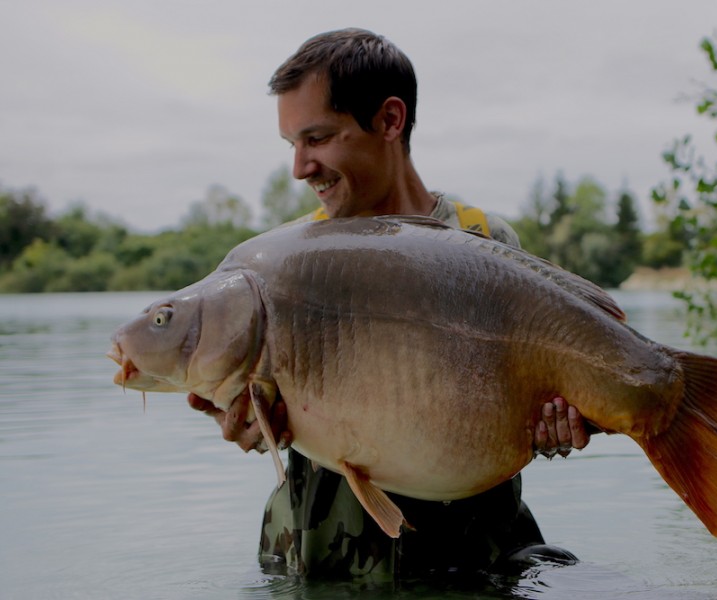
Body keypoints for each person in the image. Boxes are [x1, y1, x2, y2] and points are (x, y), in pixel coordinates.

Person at [189, 28, 591, 582]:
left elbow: (534, 408)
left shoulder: (485, 242)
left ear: (389, 121)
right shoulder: (283, 262)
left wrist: (553, 430)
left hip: (473, 564)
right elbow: (261, 416)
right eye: (292, 145)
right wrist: (247, 424)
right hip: (318, 563)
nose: (300, 168)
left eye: (319, 138)